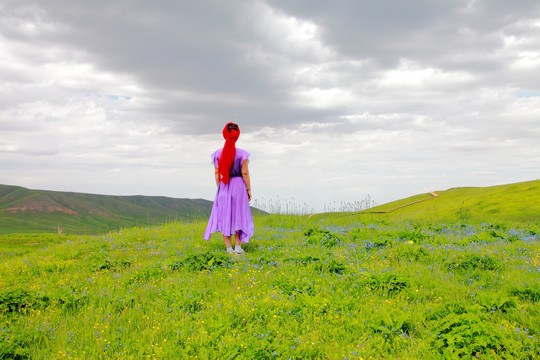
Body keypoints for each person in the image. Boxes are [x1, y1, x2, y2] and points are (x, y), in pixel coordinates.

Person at [203, 122, 254, 254]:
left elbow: (217, 173)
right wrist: (249, 189)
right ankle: (238, 248)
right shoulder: (242, 153)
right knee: (238, 216)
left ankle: (228, 249)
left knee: (225, 216)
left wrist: (221, 189)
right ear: (237, 135)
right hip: (239, 186)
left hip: (224, 186)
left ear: (224, 134)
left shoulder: (217, 154)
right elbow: (245, 173)